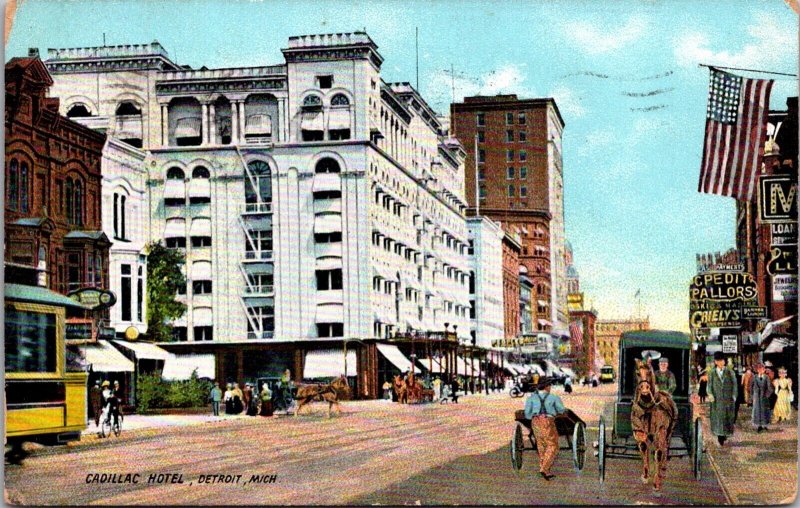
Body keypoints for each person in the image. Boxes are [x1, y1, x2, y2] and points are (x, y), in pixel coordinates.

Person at [523, 377, 566, 480]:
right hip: (547, 421)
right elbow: (561, 410)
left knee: (541, 444)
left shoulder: (531, 398)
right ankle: (544, 468)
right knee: (552, 445)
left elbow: (527, 414)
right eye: (550, 385)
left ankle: (544, 469)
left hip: (535, 422)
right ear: (547, 387)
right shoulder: (553, 398)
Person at [707, 352, 737, 445]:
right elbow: (709, 385)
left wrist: (734, 395)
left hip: (728, 398)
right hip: (717, 399)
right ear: (715, 362)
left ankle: (725, 434)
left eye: (722, 361)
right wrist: (710, 394)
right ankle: (720, 435)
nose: (721, 363)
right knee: (718, 417)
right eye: (718, 361)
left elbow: (734, 385)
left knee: (727, 417)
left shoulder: (730, 372)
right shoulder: (712, 373)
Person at [751, 362, 773, 432]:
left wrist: (767, 395)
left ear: (764, 370)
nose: (760, 370)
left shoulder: (766, 377)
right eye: (759, 369)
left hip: (764, 397)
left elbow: (770, 388)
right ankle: (759, 425)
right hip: (756, 397)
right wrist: (752, 395)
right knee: (757, 411)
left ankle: (765, 425)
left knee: (765, 411)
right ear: (757, 370)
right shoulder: (754, 377)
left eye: (762, 369)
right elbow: (751, 387)